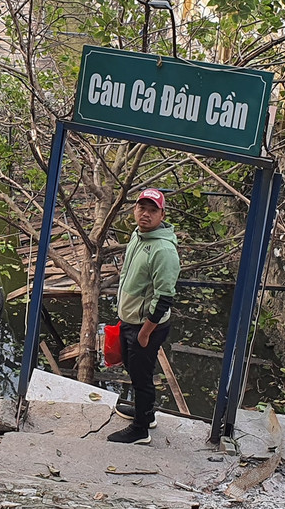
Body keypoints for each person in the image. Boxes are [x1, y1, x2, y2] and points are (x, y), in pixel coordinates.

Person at [107, 188, 180, 445]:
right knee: (133, 366)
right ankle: (145, 415)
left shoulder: (163, 250)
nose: (145, 214)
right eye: (142, 208)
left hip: (146, 325)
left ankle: (141, 430)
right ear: (134, 209)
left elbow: (164, 297)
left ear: (162, 214)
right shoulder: (138, 236)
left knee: (141, 376)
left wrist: (145, 332)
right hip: (131, 319)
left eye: (152, 210)